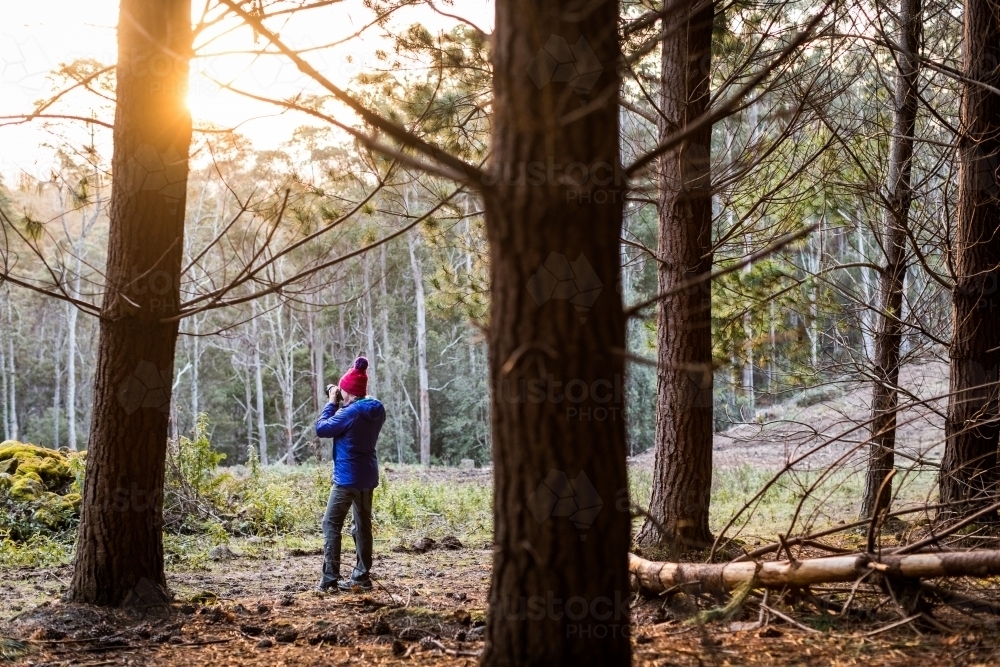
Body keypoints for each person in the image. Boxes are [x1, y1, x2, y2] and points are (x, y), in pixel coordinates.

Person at [315, 356, 385, 592]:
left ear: (349, 391)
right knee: (362, 526)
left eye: (342, 389)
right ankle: (362, 577)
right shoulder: (376, 409)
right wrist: (341, 400)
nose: (340, 392)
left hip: (346, 479)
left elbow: (322, 429)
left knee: (330, 524)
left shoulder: (348, 413)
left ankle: (329, 580)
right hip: (367, 477)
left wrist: (331, 403)